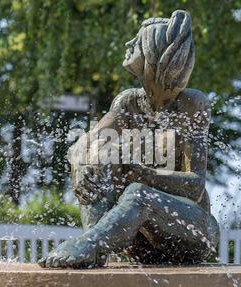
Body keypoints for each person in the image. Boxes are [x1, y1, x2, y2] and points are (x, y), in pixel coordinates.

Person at [39, 10, 219, 268]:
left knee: (138, 193)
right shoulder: (128, 102)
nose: (128, 45)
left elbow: (195, 186)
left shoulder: (192, 104)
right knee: (95, 163)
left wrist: (140, 174)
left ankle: (90, 244)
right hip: (140, 244)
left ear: (152, 54)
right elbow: (88, 141)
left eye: (137, 41)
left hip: (192, 232)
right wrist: (80, 163)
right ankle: (95, 253)